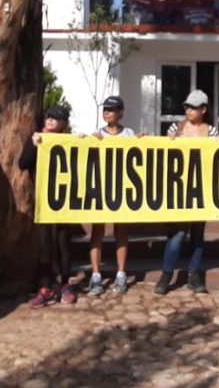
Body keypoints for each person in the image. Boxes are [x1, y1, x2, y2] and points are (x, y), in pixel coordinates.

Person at [154, 90, 218, 295]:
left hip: (203, 188)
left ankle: (194, 274)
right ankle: (166, 274)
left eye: (193, 107)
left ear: (204, 110)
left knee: (198, 234)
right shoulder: (177, 128)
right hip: (179, 190)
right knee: (178, 233)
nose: (189, 110)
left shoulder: (212, 131)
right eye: (187, 106)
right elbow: (165, 152)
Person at [18, 105, 77, 308]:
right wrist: (34, 146)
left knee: (63, 243)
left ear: (64, 123)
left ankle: (65, 284)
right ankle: (45, 287)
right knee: (45, 244)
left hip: (64, 201)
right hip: (44, 201)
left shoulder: (68, 141)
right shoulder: (37, 138)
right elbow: (22, 163)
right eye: (48, 116)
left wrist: (84, 141)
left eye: (56, 118)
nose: (50, 120)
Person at [87, 96, 135, 296]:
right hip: (101, 188)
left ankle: (121, 273)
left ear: (120, 113)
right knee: (97, 232)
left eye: (111, 109)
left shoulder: (129, 133)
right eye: (105, 109)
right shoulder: (97, 134)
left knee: (121, 232)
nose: (107, 112)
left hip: (121, 188)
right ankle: (96, 275)